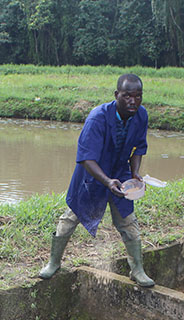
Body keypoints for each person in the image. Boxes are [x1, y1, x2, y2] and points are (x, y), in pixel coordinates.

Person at [38, 73, 155, 287]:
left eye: (138, 96)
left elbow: (139, 148)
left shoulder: (141, 115)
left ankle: (137, 269)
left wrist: (135, 172)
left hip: (121, 174)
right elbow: (85, 158)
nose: (133, 101)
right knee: (70, 218)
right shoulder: (97, 118)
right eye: (128, 96)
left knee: (128, 221)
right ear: (116, 95)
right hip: (92, 176)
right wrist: (107, 181)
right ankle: (53, 262)